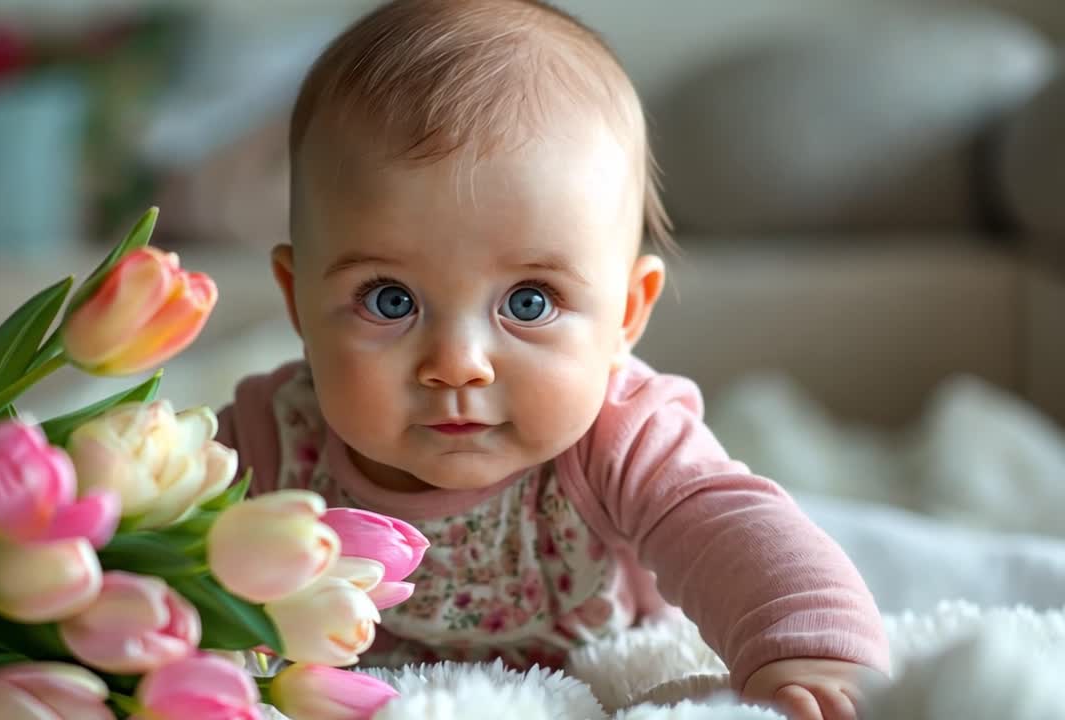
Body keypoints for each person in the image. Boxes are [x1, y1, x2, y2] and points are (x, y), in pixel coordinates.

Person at [216, 1, 891, 717]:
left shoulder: (619, 435)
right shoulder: (273, 440)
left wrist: (806, 648)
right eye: (389, 300)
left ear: (627, 312)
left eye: (529, 302)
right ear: (297, 302)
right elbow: (151, 552)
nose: (457, 364)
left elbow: (731, 531)